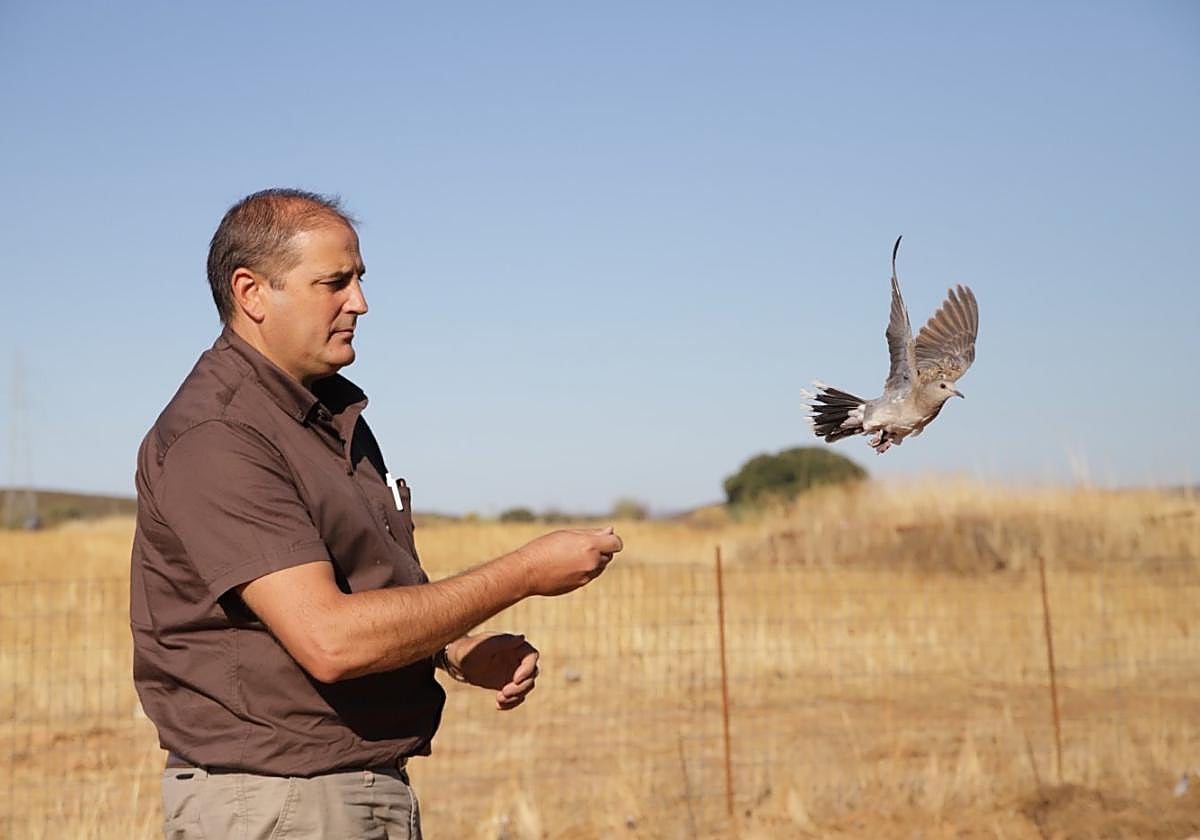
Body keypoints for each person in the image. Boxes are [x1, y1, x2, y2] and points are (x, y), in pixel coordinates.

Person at [129, 188, 623, 840]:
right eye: (334, 282)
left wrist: (454, 649)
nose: (359, 302)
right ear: (251, 293)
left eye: (358, 280)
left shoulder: (325, 418)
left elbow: (358, 588)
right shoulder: (219, 436)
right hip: (278, 805)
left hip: (345, 793)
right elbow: (330, 639)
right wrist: (525, 572)